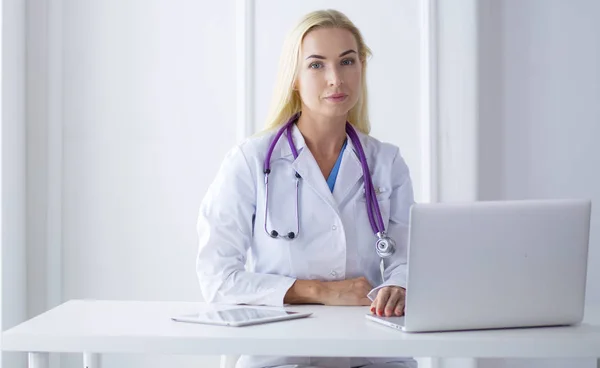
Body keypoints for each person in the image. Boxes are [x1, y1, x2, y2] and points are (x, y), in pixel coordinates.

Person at [196, 9, 417, 368]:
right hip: (280, 354)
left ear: (361, 68)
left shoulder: (387, 163)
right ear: (294, 77)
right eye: (316, 65)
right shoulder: (250, 161)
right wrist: (320, 292)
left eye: (347, 62)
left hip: (373, 353)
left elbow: (409, 261)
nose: (335, 79)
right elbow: (217, 277)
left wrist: (401, 286)